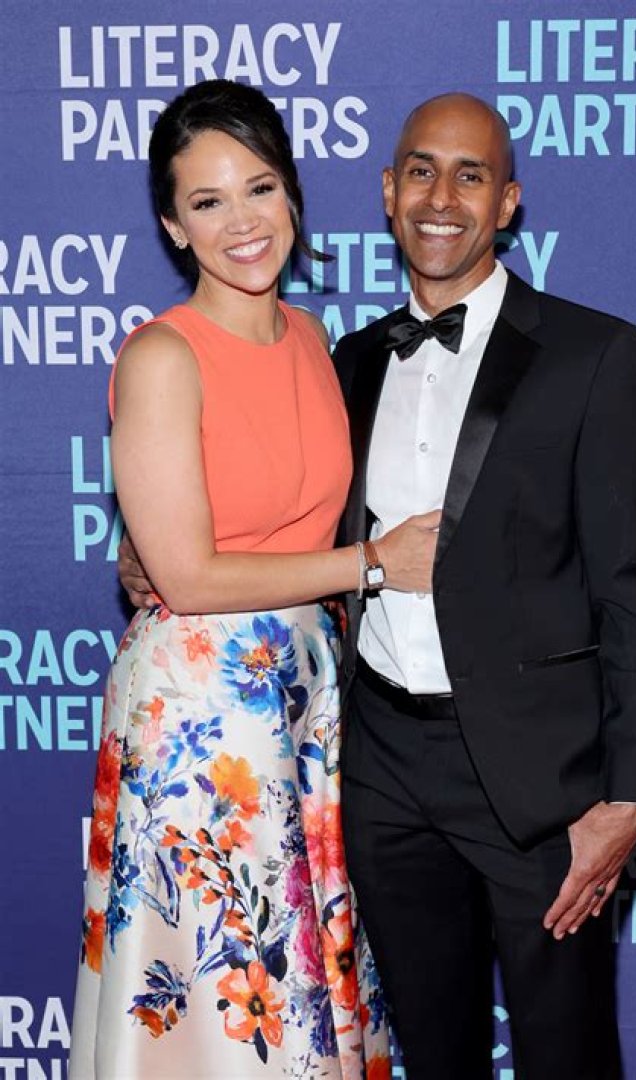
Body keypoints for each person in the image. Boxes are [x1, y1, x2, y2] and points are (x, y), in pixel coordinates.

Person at [120, 91, 636, 1079]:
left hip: (539, 782)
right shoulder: (350, 359)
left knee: (568, 1053)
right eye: (421, 171)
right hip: (375, 772)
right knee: (425, 1050)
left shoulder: (596, 355)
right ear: (387, 192)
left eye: (472, 176)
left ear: (507, 202)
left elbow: (634, 590)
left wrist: (633, 791)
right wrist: (154, 553)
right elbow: (251, 512)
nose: (442, 199)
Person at [69, 78, 439, 1080]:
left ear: (292, 194)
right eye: (208, 201)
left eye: (260, 187)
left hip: (306, 699)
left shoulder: (316, 339)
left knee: (297, 988)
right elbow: (186, 576)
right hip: (201, 713)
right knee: (223, 995)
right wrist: (374, 564)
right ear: (173, 227)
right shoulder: (162, 356)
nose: (242, 221)